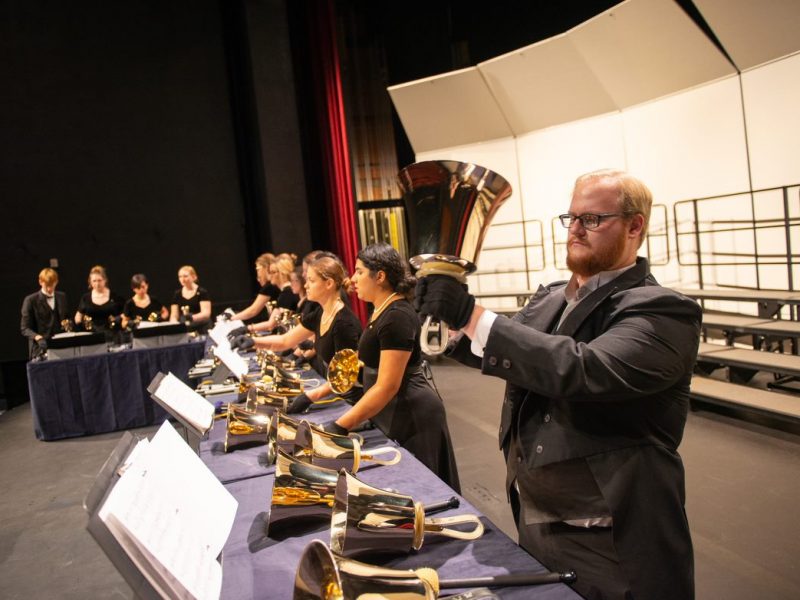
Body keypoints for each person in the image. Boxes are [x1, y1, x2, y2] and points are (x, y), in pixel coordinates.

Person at [415, 169, 700, 600]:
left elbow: (586, 368)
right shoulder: (550, 296)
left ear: (635, 226)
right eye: (571, 218)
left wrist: (470, 314)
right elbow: (513, 356)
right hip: (536, 517)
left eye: (592, 219)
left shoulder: (663, 309)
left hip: (612, 536)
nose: (576, 231)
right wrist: (441, 323)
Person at [329, 243, 460, 492]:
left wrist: (340, 425)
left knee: (425, 492)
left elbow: (388, 386)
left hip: (413, 414)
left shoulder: (396, 315)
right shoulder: (382, 309)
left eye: (358, 271)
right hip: (397, 412)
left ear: (380, 276)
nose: (353, 279)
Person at [233, 254, 362, 401]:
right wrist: (253, 341)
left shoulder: (344, 323)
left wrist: (311, 396)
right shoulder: (320, 313)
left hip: (351, 400)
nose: (306, 285)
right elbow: (285, 341)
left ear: (329, 284)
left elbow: (346, 376)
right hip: (334, 390)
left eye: (311, 281)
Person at [20, 268, 69, 358]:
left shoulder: (62, 297)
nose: (50, 289)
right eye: (47, 285)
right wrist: (37, 337)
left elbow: (66, 318)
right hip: (40, 348)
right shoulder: (30, 300)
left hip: (61, 346)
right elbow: (25, 328)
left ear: (56, 282)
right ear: (40, 282)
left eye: (52, 285)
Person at [75, 265, 125, 338]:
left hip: (113, 336)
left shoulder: (115, 297)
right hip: (91, 337)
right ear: (90, 282)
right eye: (94, 281)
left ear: (105, 280)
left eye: (99, 280)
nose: (97, 284)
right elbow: (77, 318)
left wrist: (117, 320)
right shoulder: (86, 298)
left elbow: (125, 314)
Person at [229, 253, 280, 322]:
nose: (257, 273)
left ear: (266, 267)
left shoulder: (269, 286)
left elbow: (253, 310)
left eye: (258, 269)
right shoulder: (271, 286)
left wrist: (233, 317)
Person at [169, 265, 212, 330]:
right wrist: (174, 323)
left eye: (185, 276)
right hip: (186, 328)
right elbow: (174, 315)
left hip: (202, 327)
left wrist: (190, 317)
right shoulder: (177, 294)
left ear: (194, 277)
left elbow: (206, 314)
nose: (182, 279)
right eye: (180, 277)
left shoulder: (202, 292)